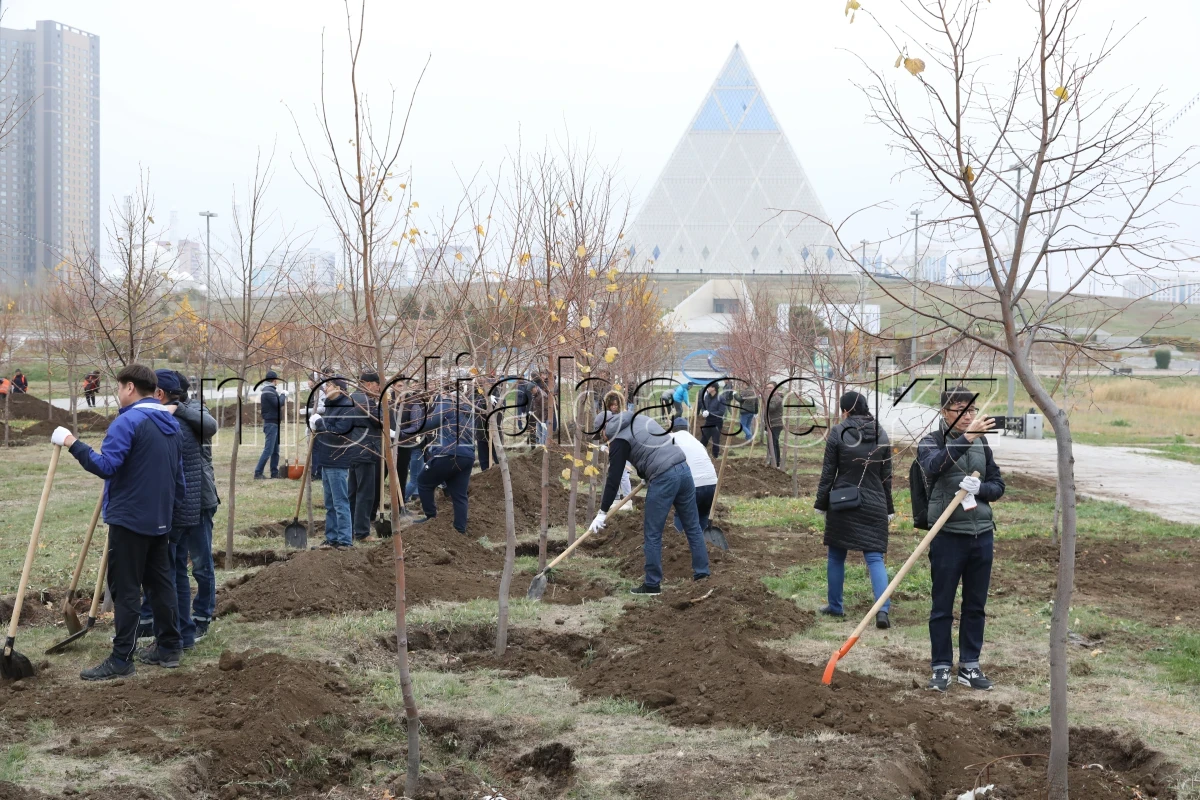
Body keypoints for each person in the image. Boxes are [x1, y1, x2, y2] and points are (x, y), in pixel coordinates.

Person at [52, 364, 184, 680]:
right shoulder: (170, 422)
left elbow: (106, 466)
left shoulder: (128, 422)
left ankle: (122, 658)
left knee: (125, 589)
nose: (118, 393)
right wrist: (169, 515)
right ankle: (169, 648)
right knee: (160, 584)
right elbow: (177, 477)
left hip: (130, 520)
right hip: (160, 520)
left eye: (119, 387)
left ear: (129, 388)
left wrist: (71, 442)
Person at [917, 386, 1005, 692]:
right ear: (945, 413)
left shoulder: (983, 443)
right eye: (960, 411)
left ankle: (970, 666)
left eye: (972, 411)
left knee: (975, 605)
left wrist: (981, 489)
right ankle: (941, 667)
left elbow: (998, 485)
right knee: (942, 605)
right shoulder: (931, 441)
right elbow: (933, 466)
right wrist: (965, 439)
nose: (968, 417)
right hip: (947, 536)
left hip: (981, 535)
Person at [588, 409, 710, 594]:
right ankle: (703, 575)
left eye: (601, 435)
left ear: (605, 427)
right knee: (693, 526)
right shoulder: (639, 419)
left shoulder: (618, 438)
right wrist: (645, 474)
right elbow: (654, 445)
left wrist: (602, 512)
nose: (604, 439)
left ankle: (652, 584)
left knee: (653, 533)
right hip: (683, 469)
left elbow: (614, 478)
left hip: (664, 477)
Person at [137, 370, 209, 651]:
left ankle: (173, 636)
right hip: (185, 508)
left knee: (168, 574)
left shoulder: (172, 423)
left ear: (160, 394)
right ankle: (183, 633)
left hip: (176, 510)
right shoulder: (180, 421)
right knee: (176, 571)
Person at [813, 391, 895, 629]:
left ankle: (835, 607)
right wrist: (889, 508)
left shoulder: (838, 432)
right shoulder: (881, 433)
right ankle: (882, 610)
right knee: (875, 557)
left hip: (843, 501)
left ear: (846, 410)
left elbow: (828, 472)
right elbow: (886, 476)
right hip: (875, 502)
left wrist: (821, 503)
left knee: (836, 556)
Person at [173, 374, 219, 639]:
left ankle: (203, 615)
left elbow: (211, 425)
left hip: (200, 498)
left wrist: (178, 408)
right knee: (177, 562)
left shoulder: (195, 410)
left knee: (201, 563)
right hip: (178, 502)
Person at [408, 379, 476, 534]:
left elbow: (428, 424)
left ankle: (431, 517)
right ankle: (460, 529)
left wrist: (407, 429)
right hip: (467, 455)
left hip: (449, 453)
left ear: (444, 392)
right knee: (459, 495)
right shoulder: (467, 407)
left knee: (423, 481)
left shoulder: (447, 403)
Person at [309, 378, 356, 549]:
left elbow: (339, 433)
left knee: (340, 502)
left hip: (338, 460)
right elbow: (326, 429)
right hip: (327, 459)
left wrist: (320, 423)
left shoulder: (347, 408)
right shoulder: (330, 405)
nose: (326, 388)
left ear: (339, 388)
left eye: (328, 385)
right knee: (329, 504)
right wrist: (317, 426)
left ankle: (345, 540)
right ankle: (332, 538)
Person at [348, 371, 384, 543]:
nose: (378, 389)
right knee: (365, 493)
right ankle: (362, 532)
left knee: (353, 492)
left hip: (351, 450)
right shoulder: (367, 402)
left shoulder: (349, 398)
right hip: (366, 451)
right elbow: (381, 421)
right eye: (377, 386)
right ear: (369, 384)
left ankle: (350, 529)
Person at [668, 417, 717, 531]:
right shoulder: (696, 441)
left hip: (693, 485)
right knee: (702, 514)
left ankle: (679, 538)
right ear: (688, 429)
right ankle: (703, 539)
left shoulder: (671, 438)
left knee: (681, 515)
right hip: (712, 484)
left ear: (672, 429)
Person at [254, 370, 287, 479]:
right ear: (274, 380)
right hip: (271, 424)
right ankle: (258, 472)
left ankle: (274, 473)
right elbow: (278, 403)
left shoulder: (269, 390)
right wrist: (283, 395)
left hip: (274, 423)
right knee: (268, 450)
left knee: (275, 450)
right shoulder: (268, 391)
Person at [697, 382, 725, 457]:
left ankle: (715, 457)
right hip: (708, 422)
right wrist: (703, 411)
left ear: (714, 388)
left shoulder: (721, 398)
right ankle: (700, 455)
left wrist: (710, 413)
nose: (708, 388)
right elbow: (703, 407)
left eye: (709, 387)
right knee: (703, 440)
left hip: (717, 422)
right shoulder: (707, 397)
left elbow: (721, 412)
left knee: (715, 441)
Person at [765, 381, 785, 468]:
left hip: (776, 424)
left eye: (770, 388)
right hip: (771, 424)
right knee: (773, 443)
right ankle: (775, 462)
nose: (769, 389)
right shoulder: (772, 397)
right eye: (767, 388)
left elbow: (771, 408)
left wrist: (765, 400)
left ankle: (775, 463)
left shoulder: (777, 398)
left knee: (773, 443)